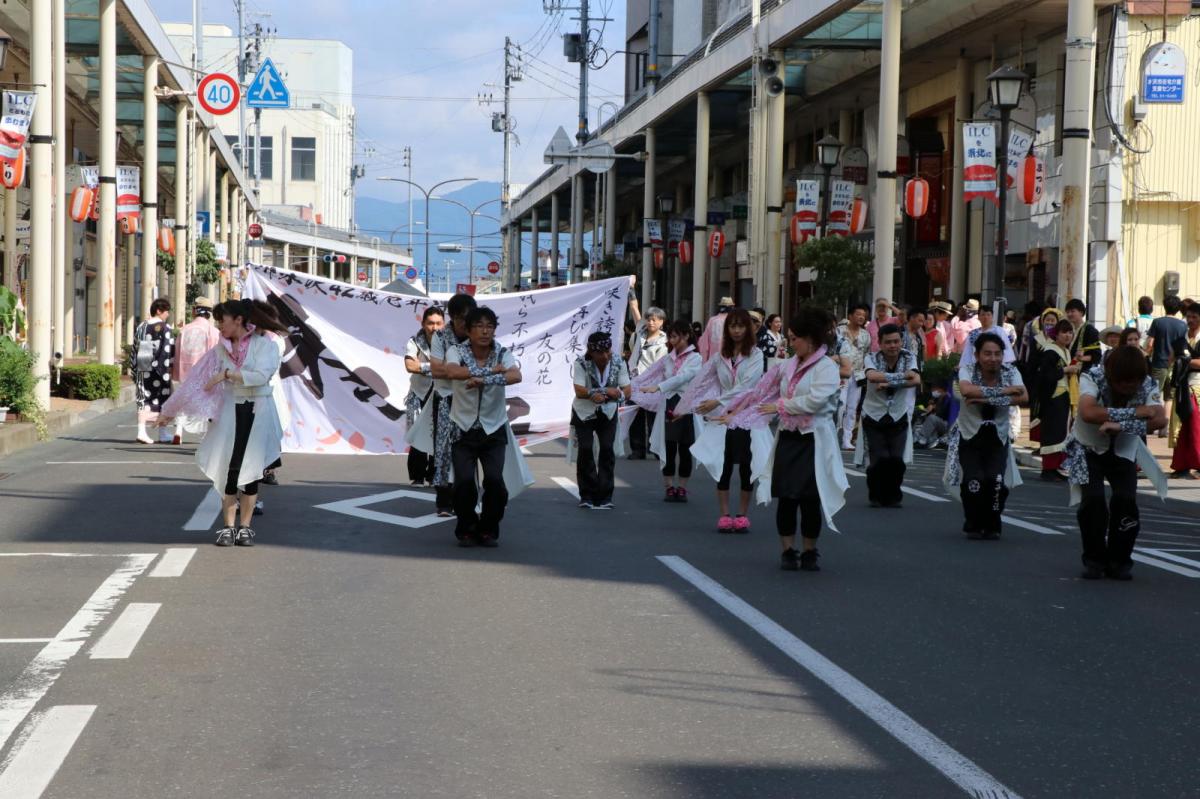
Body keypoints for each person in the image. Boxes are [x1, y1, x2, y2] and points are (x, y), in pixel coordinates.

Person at [159, 299, 288, 547]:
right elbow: (196, 378)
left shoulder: (266, 345)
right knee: (228, 467)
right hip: (230, 409)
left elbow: (262, 376)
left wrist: (226, 375)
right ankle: (228, 527)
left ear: (238, 320)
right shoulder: (220, 349)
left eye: (222, 320)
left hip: (258, 410)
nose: (219, 325)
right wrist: (170, 410)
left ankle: (245, 528)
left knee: (252, 470)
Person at [749, 306, 847, 571]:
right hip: (788, 437)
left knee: (810, 498)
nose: (790, 343)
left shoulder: (826, 367)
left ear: (810, 339)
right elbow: (760, 390)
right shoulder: (788, 365)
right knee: (786, 496)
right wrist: (732, 409)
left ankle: (810, 550)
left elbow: (816, 401)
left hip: (813, 439)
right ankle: (788, 550)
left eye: (794, 338)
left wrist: (781, 406)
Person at [1066, 346, 1167, 579]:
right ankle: (1094, 559)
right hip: (1088, 447)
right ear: (1112, 377)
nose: (1130, 388)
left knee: (1126, 501)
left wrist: (1119, 424)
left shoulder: (1148, 384)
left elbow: (1159, 419)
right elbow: (1088, 413)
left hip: (1124, 449)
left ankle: (1120, 560)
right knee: (1093, 502)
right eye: (1123, 383)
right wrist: (1137, 413)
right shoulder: (1093, 376)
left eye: (1134, 383)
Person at [440, 306, 523, 546]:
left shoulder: (502, 352)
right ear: (468, 330)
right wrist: (489, 371)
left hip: (493, 428)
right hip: (462, 427)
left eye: (490, 326)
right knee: (464, 482)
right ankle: (466, 528)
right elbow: (451, 372)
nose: (485, 331)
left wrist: (485, 378)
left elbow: (515, 375)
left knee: (495, 482)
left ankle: (488, 528)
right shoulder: (456, 350)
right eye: (479, 326)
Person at [944, 332, 1028, 540]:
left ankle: (992, 523)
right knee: (973, 480)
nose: (993, 358)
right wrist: (1006, 392)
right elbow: (967, 391)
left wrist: (984, 398)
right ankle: (973, 523)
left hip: (998, 435)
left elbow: (1023, 396)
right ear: (977, 355)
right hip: (970, 434)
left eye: (997, 354)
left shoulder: (1011, 371)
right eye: (987, 354)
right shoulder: (967, 370)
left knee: (995, 481)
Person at [686, 308, 764, 532]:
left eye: (741, 326)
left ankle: (742, 515)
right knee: (724, 466)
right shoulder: (721, 355)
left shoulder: (756, 354)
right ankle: (724, 515)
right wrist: (685, 407)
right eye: (732, 326)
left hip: (747, 416)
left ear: (748, 328)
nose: (737, 330)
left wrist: (718, 401)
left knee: (747, 468)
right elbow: (701, 381)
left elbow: (747, 386)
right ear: (727, 329)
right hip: (723, 418)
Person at [636, 320, 702, 502]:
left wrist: (659, 387)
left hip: (686, 406)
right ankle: (669, 486)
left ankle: (682, 487)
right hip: (669, 404)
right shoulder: (667, 358)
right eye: (670, 337)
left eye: (675, 336)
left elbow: (684, 377)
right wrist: (632, 386)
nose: (672, 340)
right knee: (668, 447)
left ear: (686, 336)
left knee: (686, 449)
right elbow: (650, 373)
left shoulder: (696, 358)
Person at [857, 324, 921, 508]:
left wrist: (888, 383)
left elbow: (916, 379)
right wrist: (903, 377)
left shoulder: (909, 357)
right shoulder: (871, 357)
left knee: (896, 460)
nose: (893, 346)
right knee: (880, 458)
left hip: (898, 414)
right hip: (874, 415)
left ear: (901, 341)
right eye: (888, 342)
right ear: (880, 343)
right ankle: (875, 494)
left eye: (896, 341)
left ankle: (894, 495)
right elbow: (872, 377)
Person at [427, 293, 478, 516]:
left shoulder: (478, 335)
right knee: (443, 450)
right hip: (446, 399)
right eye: (460, 318)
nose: (465, 323)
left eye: (469, 318)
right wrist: (469, 371)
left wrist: (458, 370)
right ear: (452, 317)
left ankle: (466, 498)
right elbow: (436, 369)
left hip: (471, 400)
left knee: (469, 449)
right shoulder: (440, 337)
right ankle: (444, 500)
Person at [571, 331, 632, 510]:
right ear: (591, 352)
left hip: (608, 411)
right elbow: (579, 390)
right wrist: (597, 393)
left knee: (606, 449)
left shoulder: (619, 362)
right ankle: (587, 494)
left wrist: (617, 395)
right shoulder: (581, 363)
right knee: (585, 449)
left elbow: (627, 390)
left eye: (608, 351)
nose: (605, 356)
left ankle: (605, 496)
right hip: (584, 412)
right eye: (600, 353)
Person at [171, 296, 221, 444]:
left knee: (182, 400)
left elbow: (177, 352)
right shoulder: (213, 331)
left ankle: (178, 430)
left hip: (185, 371)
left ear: (195, 311)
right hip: (204, 373)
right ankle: (204, 435)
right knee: (205, 402)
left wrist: (176, 372)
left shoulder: (184, 330)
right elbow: (216, 354)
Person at [403, 306, 444, 486]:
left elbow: (452, 367)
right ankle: (418, 476)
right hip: (419, 394)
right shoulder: (414, 341)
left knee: (439, 434)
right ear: (423, 324)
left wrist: (422, 366)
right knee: (418, 434)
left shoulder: (450, 343)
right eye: (430, 323)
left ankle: (434, 475)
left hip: (441, 394)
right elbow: (410, 366)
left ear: (444, 324)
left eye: (438, 323)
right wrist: (436, 368)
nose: (434, 327)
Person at [1035, 319, 1078, 480]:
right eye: (1064, 332)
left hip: (1064, 395)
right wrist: (1066, 369)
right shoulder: (1050, 351)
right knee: (1053, 432)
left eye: (1070, 332)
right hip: (1054, 396)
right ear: (1056, 334)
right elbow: (1046, 375)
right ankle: (1048, 468)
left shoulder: (1065, 351)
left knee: (1061, 432)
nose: (1067, 335)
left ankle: (1056, 467)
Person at [626, 299, 669, 459]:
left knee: (653, 417)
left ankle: (655, 448)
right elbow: (634, 308)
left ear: (661, 322)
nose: (651, 322)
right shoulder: (640, 332)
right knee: (635, 416)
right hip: (635, 381)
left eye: (654, 320)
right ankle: (637, 449)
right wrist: (631, 290)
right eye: (649, 319)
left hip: (653, 383)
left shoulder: (665, 341)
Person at [131, 298, 176, 445]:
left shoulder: (142, 326)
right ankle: (162, 432)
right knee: (163, 399)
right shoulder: (165, 327)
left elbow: (135, 348)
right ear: (159, 311)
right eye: (166, 311)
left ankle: (141, 431)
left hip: (143, 367)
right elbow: (168, 350)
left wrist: (135, 368)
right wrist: (167, 368)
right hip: (160, 369)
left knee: (143, 399)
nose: (168, 314)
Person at [1144, 294, 1186, 431]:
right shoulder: (1183, 325)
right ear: (1178, 309)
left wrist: (1145, 354)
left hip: (1158, 363)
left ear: (1164, 306)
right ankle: (1164, 427)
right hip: (1175, 366)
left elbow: (1150, 343)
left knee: (1154, 394)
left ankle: (1152, 425)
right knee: (1169, 397)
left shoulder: (1158, 322)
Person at [1168, 305, 1200, 478]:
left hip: (1198, 385)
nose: (1190, 320)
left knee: (1196, 425)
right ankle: (1181, 465)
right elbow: (1171, 359)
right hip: (1182, 385)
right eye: (1188, 316)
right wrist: (1183, 361)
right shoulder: (1180, 340)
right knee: (1180, 426)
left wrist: (1185, 360)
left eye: (1194, 317)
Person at [837, 303, 871, 450]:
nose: (861, 317)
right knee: (840, 405)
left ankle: (847, 439)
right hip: (841, 373)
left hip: (858, 375)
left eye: (863, 315)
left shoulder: (866, 335)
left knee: (852, 408)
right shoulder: (840, 331)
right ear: (850, 316)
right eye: (858, 314)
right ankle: (835, 434)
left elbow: (867, 354)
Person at [697, 297, 733, 361]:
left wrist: (704, 361)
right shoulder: (732, 320)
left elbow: (703, 344)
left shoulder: (712, 320)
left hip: (713, 361)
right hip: (729, 360)